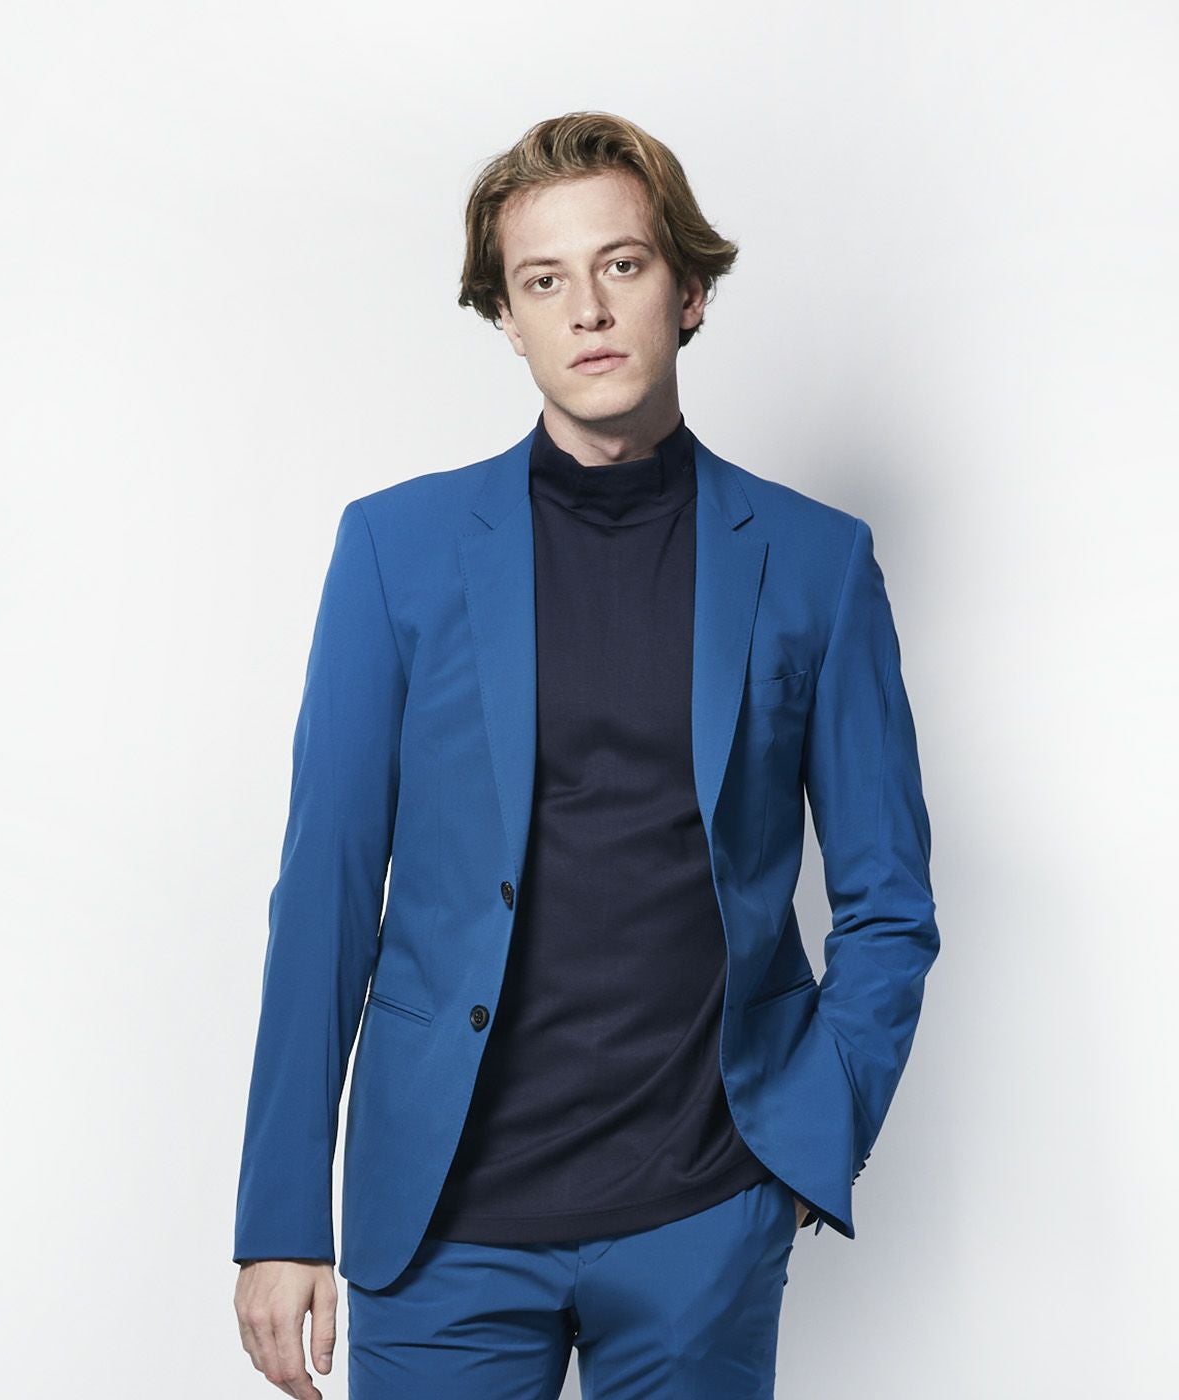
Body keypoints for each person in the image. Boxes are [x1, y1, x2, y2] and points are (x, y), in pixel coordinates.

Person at [233, 109, 940, 1399]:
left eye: (622, 264)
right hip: (441, 1224)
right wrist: (282, 1217)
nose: (589, 310)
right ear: (507, 318)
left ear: (689, 291)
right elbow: (325, 891)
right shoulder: (395, 552)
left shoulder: (816, 564)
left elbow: (888, 899)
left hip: (703, 1213)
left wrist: (809, 1138)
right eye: (544, 280)